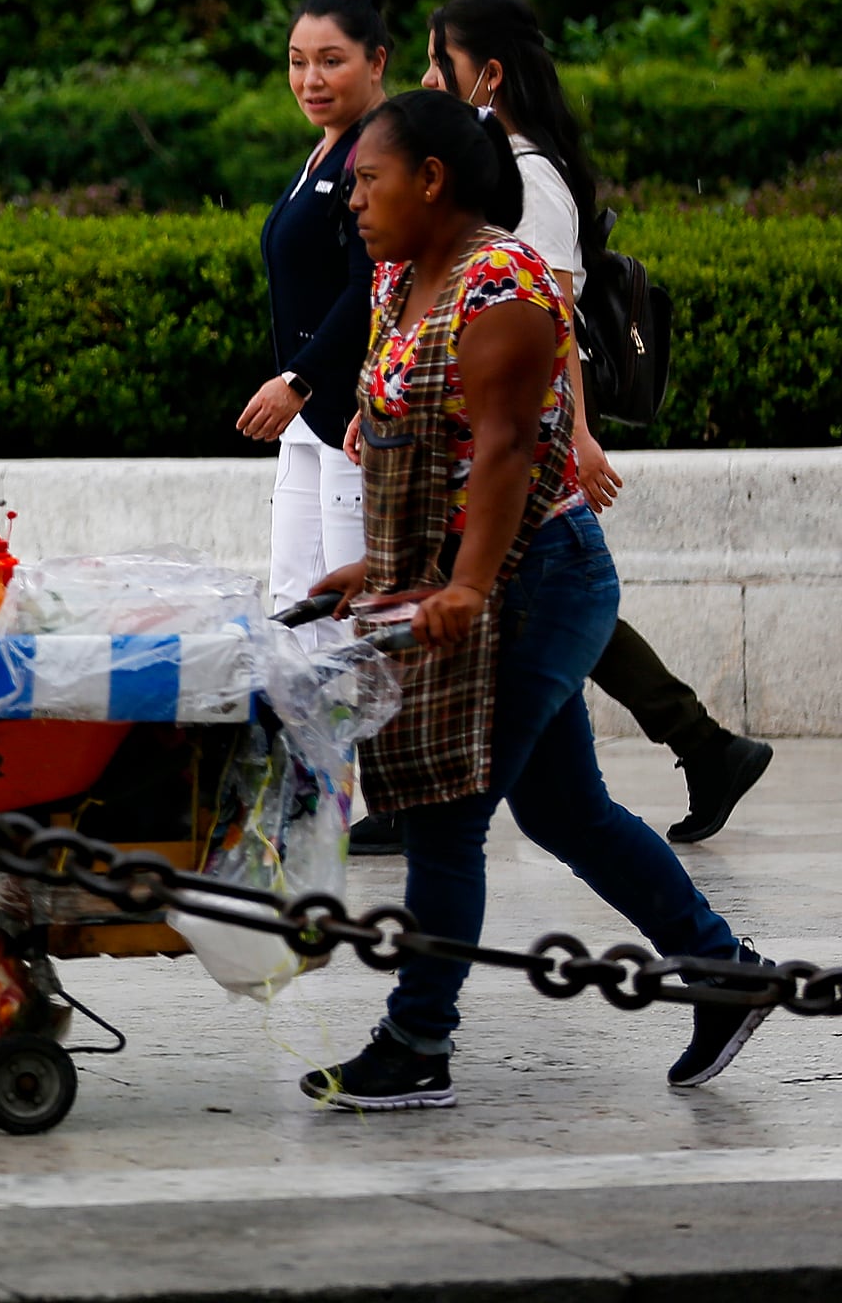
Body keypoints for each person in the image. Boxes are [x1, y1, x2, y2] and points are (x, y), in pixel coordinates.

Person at [299, 92, 769, 1110]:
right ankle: (724, 970)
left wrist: (466, 582)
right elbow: (419, 447)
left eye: (371, 181)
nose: (355, 201)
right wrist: (378, 570)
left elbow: (509, 446)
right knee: (567, 810)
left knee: (446, 809)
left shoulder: (499, 282)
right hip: (465, 580)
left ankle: (419, 1038)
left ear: (432, 180)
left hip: (540, 580)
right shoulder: (400, 279)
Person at [346, 0, 771, 852]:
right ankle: (704, 746)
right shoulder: (493, 163)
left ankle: (701, 744)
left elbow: (549, 317)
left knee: (550, 596)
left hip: (529, 444)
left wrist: (571, 437)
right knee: (558, 669)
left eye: (441, 62)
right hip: (510, 451)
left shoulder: (524, 177)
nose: (428, 79)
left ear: (489, 74)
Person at [236, 0, 386, 638]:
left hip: (351, 419)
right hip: (309, 421)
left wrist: (300, 377)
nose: (311, 81)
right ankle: (309, 747)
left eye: (332, 62)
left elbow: (369, 288)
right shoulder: (325, 152)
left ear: (376, 61)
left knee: (352, 617)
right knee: (296, 610)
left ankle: (371, 746)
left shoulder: (377, 154)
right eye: (298, 63)